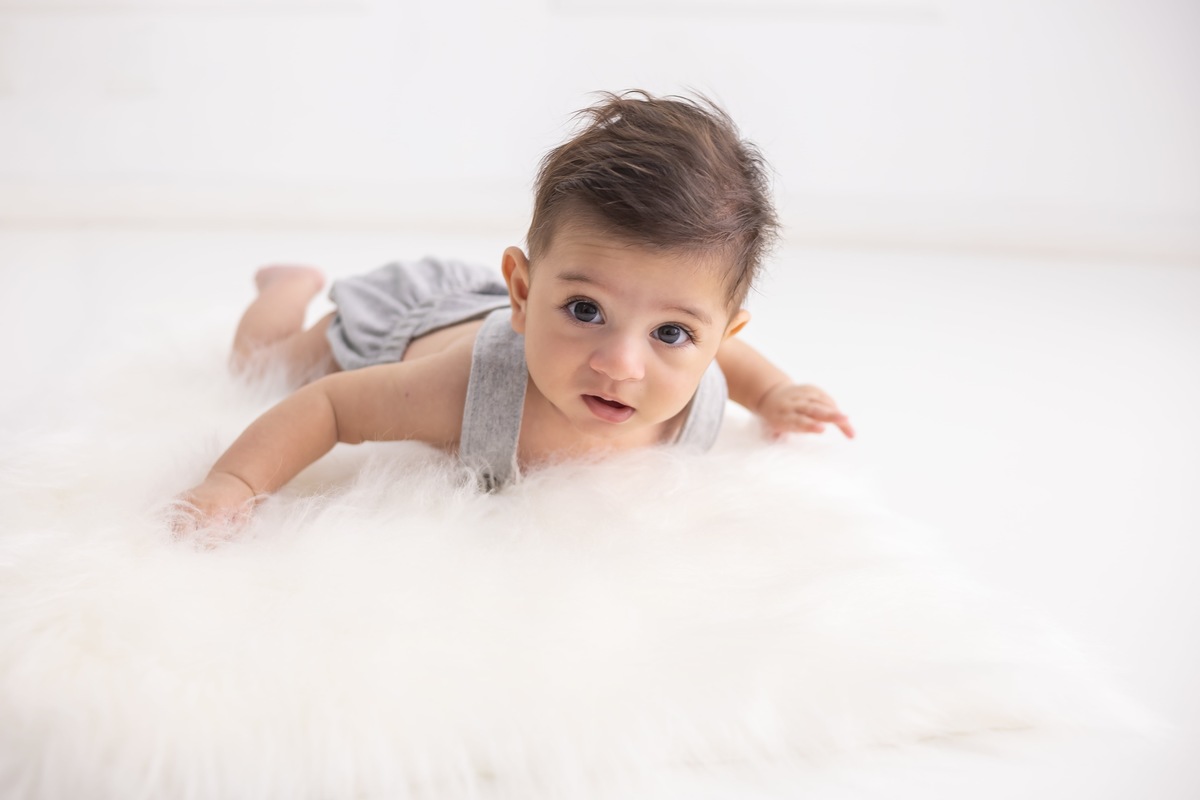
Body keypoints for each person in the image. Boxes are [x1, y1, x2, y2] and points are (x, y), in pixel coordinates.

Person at [176, 90, 854, 528]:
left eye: (671, 333)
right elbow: (328, 407)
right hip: (416, 319)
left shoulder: (698, 386)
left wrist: (774, 393)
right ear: (523, 296)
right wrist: (233, 481)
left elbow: (726, 361)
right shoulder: (466, 388)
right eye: (585, 310)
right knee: (258, 365)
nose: (620, 364)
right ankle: (289, 286)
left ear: (713, 340)